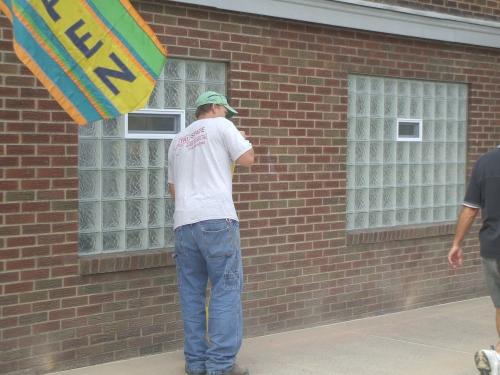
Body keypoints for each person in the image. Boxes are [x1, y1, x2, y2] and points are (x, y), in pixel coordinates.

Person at [168, 91, 254, 375]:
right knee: (225, 290)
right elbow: (247, 159)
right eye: (225, 110)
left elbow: (173, 190)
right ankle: (220, 366)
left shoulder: (178, 140)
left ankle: (196, 364)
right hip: (217, 219)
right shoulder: (222, 126)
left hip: (184, 223)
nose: (227, 115)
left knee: (191, 294)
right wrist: (241, 138)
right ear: (214, 107)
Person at [448, 145, 500, 375]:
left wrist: (457, 243)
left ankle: (498, 355)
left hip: (493, 248)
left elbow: (470, 210)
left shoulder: (485, 163)